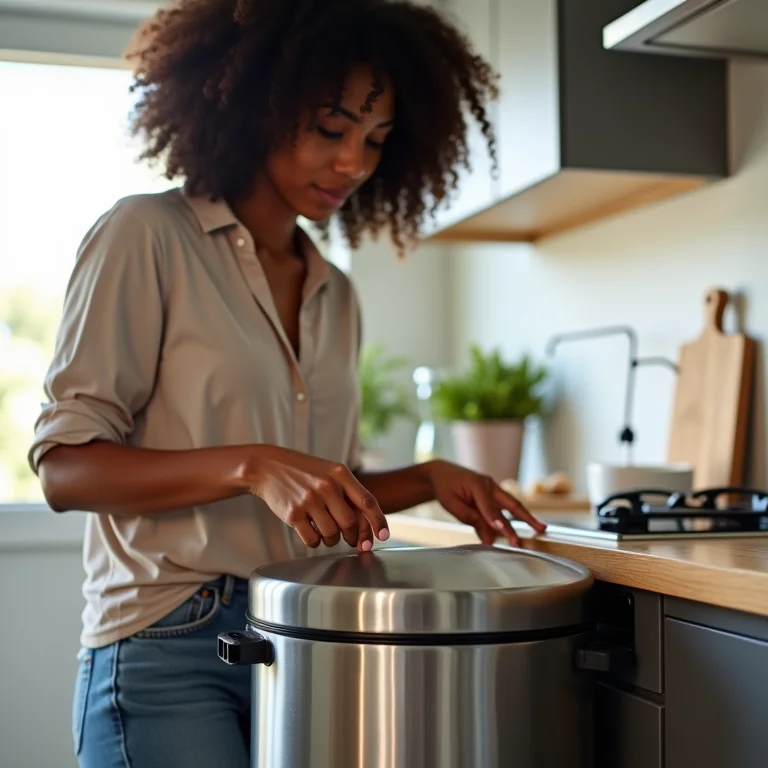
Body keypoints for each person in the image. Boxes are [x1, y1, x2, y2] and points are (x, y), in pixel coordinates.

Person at [29, 1, 547, 766]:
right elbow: (66, 469)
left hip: (300, 631)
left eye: (375, 140)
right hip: (167, 642)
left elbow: (318, 484)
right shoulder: (146, 236)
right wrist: (250, 463)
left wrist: (433, 478)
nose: (354, 164)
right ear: (254, 104)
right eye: (330, 130)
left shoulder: (336, 292)